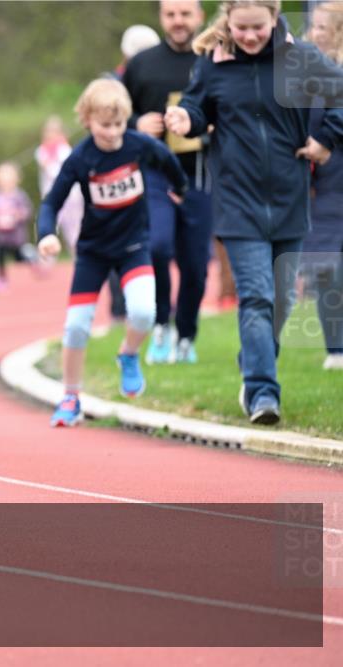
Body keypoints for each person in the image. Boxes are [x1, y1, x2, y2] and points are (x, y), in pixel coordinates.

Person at [165, 0, 343, 423]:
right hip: (237, 200)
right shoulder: (213, 64)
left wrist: (326, 139)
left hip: (289, 199)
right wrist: (184, 119)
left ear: (274, 17)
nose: (247, 36)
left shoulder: (301, 58)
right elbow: (197, 107)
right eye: (239, 27)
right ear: (227, 19)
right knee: (258, 297)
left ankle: (253, 360)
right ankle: (263, 392)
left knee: (280, 300)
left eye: (257, 28)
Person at [38, 79, 188, 427]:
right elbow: (51, 202)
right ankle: (71, 396)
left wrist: (179, 188)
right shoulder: (81, 157)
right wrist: (47, 234)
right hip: (94, 252)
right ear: (87, 120)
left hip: (134, 246)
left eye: (119, 124)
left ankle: (129, 354)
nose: (112, 132)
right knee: (75, 327)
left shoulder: (138, 145)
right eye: (105, 125)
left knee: (143, 313)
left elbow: (168, 161)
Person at [123, 0, 213, 365]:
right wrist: (136, 124)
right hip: (155, 170)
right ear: (161, 17)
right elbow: (114, 111)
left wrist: (210, 127)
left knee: (195, 263)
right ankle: (161, 322)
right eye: (171, 15)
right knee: (158, 246)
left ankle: (186, 334)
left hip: (199, 172)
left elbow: (233, 109)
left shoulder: (214, 61)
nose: (178, 22)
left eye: (185, 14)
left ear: (200, 17)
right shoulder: (142, 63)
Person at [302, 0, 343, 369]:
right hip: (324, 184)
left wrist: (328, 142)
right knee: (327, 266)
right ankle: (337, 348)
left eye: (319, 28)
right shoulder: (308, 76)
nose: (311, 34)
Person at [0, 161, 35, 291]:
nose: (5, 179)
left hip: (17, 236)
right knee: (0, 255)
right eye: (2, 176)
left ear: (17, 179)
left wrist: (17, 216)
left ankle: (31, 256)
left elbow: (27, 211)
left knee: (19, 258)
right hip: (0, 235)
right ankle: (2, 279)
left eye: (8, 176)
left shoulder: (19, 195)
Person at [35, 116, 84, 254]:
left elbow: (60, 173)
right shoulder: (41, 151)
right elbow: (48, 169)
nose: (51, 135)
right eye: (48, 131)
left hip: (71, 197)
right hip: (51, 197)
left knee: (74, 229)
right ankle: (45, 259)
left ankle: (78, 256)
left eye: (54, 131)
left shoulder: (65, 150)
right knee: (48, 226)